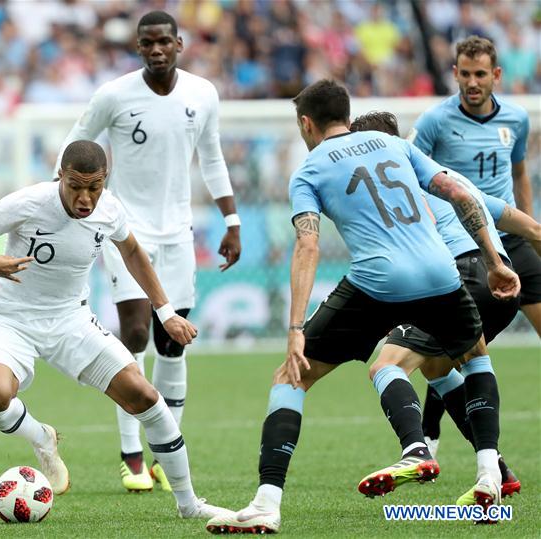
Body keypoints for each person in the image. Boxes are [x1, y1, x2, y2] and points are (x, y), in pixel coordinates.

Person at [206, 80, 520, 535]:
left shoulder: (309, 171)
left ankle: (266, 502)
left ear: (305, 123)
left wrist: (296, 327)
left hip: (378, 282)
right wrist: (494, 261)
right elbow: (457, 192)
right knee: (474, 355)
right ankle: (489, 472)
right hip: (440, 272)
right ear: (348, 117)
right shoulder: (392, 143)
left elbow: (307, 245)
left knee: (292, 376)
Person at [0, 140, 230, 520]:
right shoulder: (27, 202)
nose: (85, 197)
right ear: (60, 176)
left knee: (145, 396)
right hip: (12, 317)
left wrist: (165, 312)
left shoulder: (109, 209)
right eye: (75, 186)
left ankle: (189, 505)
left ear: (104, 182)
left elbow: (132, 253)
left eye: (93, 187)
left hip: (71, 321)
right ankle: (41, 437)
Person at [55, 10, 242, 493]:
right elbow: (73, 147)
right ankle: (131, 453)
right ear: (138, 47)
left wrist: (232, 219)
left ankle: (166, 450)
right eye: (147, 43)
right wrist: (75, 201)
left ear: (179, 44)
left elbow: (213, 156)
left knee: (172, 342)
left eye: (164, 42)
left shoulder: (202, 94)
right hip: (124, 231)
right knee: (137, 330)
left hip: (179, 233)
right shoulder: (115, 95)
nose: (156, 50)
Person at [351, 110, 541, 505]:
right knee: (444, 366)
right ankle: (494, 473)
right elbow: (531, 228)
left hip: (458, 277)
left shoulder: (390, 192)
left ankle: (416, 451)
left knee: (386, 366)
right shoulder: (450, 180)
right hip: (498, 277)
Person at [409, 35, 540, 453]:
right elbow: (412, 176)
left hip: (509, 238)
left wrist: (527, 223)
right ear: (455, 74)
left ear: (496, 75)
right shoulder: (433, 122)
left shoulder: (516, 120)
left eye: (480, 74)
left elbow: (519, 173)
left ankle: (431, 430)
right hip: (463, 248)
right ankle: (430, 431)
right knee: (459, 343)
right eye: (464, 74)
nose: (472, 82)